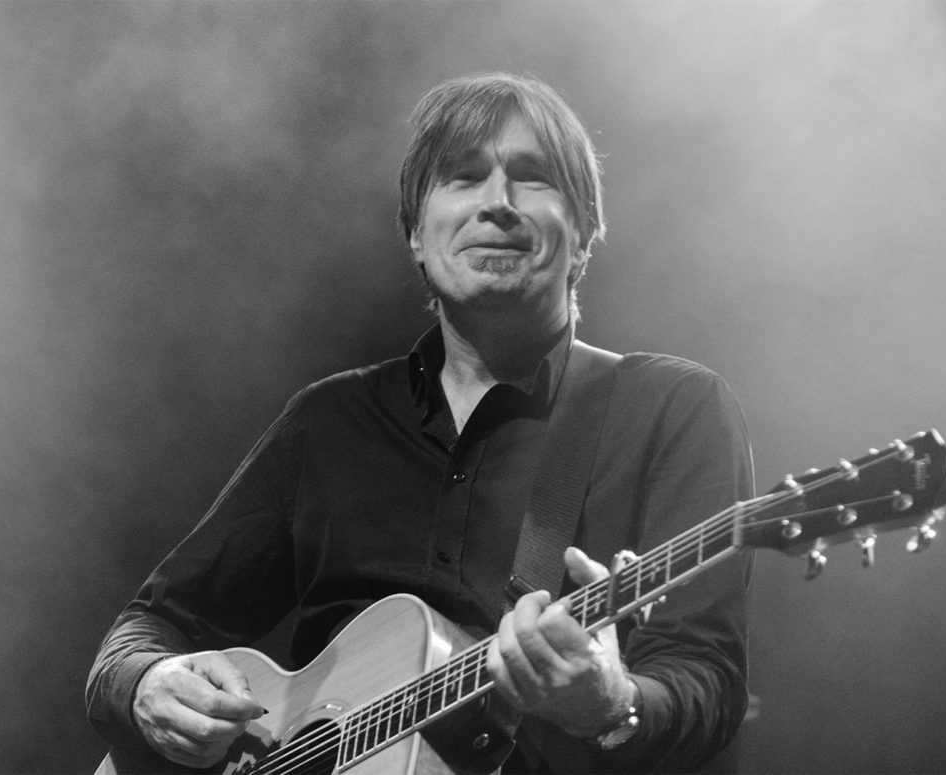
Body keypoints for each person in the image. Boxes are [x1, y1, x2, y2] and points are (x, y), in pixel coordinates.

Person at [87, 72, 754, 774]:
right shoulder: (328, 423)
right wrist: (146, 687)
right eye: (464, 179)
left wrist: (610, 701)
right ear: (414, 232)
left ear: (584, 234)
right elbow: (147, 627)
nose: (497, 204)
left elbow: (705, 679)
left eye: (532, 179)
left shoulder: (674, 410)